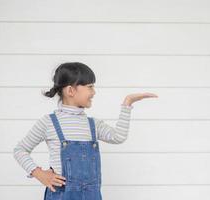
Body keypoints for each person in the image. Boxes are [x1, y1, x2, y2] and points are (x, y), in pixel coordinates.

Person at [13, 62, 158, 200]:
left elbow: (118, 137)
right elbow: (20, 150)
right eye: (90, 87)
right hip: (62, 196)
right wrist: (39, 174)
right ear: (71, 90)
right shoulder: (48, 122)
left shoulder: (93, 124)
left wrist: (127, 104)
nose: (94, 92)